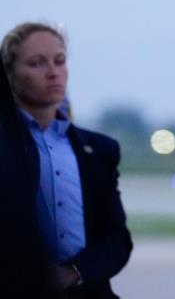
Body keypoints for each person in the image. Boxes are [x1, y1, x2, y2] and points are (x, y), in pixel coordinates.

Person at [0, 22, 133, 298]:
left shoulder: (99, 150)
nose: (53, 72)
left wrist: (74, 272)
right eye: (37, 63)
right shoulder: (8, 147)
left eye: (59, 61)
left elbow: (118, 239)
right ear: (10, 74)